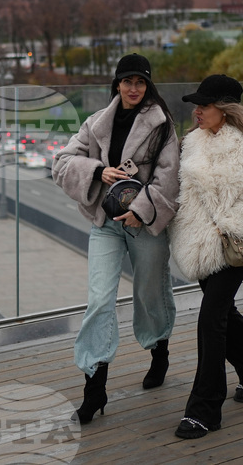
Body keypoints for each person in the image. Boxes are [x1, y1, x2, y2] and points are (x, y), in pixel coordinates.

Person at [52, 53, 180, 425]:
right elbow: (61, 161)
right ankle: (95, 387)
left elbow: (168, 180)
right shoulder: (96, 123)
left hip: (143, 221)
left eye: (140, 82)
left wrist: (140, 210)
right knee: (99, 300)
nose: (133, 88)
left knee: (150, 291)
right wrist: (96, 170)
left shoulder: (162, 126)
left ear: (148, 85)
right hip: (105, 223)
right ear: (117, 84)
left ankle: (159, 349)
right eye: (127, 81)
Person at [168, 74, 243, 440]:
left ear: (226, 109)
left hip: (231, 248)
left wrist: (223, 228)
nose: (197, 111)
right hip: (196, 245)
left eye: (205, 105)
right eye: (196, 105)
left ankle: (204, 409)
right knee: (224, 312)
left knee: (211, 318)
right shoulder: (192, 143)